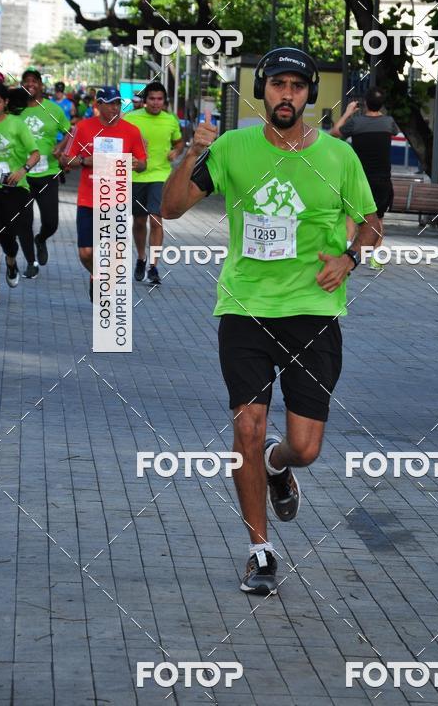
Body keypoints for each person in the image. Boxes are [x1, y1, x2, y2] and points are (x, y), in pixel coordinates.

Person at [161, 46, 379, 596]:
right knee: (246, 426)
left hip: (313, 312)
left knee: (305, 447)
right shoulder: (232, 147)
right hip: (244, 307)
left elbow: (371, 224)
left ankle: (279, 468)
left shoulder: (337, 157)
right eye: (278, 85)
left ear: (310, 95)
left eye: (298, 86)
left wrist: (350, 257)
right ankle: (260, 549)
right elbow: (171, 208)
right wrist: (192, 151)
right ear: (263, 92)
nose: (287, 94)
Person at [60, 86, 147, 301]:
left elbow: (143, 164)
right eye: (109, 103)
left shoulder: (131, 131)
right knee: (86, 253)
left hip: (117, 200)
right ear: (98, 105)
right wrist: (84, 161)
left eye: (117, 103)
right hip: (88, 199)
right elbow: (64, 160)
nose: (114, 108)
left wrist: (137, 164)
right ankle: (96, 275)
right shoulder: (82, 127)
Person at [124, 81, 184, 284]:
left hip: (160, 176)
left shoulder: (170, 120)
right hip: (136, 176)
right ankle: (141, 258)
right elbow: (121, 140)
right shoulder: (131, 119)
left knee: (156, 219)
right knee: (139, 221)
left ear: (165, 101)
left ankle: (153, 267)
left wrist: (176, 152)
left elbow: (179, 142)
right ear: (145, 100)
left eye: (160, 99)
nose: (156, 103)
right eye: (152, 99)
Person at [330, 89, 395, 269]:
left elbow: (335, 133)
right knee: (378, 219)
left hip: (359, 179)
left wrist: (348, 112)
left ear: (365, 103)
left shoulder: (356, 123)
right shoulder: (388, 123)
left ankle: (346, 252)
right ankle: (376, 258)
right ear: (381, 104)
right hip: (382, 180)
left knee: (351, 217)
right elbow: (389, 127)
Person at [17, 68, 71, 274]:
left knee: (51, 222)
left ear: (41, 85)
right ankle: (32, 262)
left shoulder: (53, 109)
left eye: (34, 81)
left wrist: (60, 147)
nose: (30, 84)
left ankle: (41, 239)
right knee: (25, 221)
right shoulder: (16, 109)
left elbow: (69, 131)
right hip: (22, 175)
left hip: (48, 173)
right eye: (26, 81)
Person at [0, 81, 40, 304]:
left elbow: (35, 154)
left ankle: (11, 262)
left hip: (13, 189)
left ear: (6, 103)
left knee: (8, 236)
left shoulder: (16, 125)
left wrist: (23, 170)